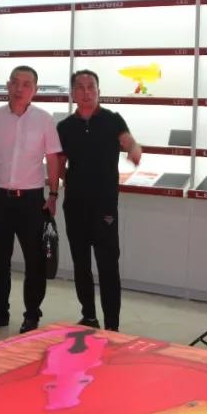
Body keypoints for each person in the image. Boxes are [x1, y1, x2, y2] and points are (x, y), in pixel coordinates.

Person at [0, 66, 62, 334]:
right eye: (15, 82)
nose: (19, 88)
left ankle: (32, 314)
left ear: (35, 89)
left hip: (32, 201)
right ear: (7, 85)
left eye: (26, 84)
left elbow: (53, 159)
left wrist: (53, 193)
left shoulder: (44, 119)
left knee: (35, 262)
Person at [56, 70, 142, 332]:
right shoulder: (64, 127)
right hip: (75, 206)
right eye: (80, 87)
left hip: (105, 208)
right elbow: (59, 164)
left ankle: (112, 325)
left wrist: (134, 150)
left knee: (108, 266)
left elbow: (129, 142)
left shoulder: (112, 119)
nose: (86, 92)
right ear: (73, 93)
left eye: (91, 86)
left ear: (98, 91)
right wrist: (63, 186)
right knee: (81, 264)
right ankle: (89, 316)